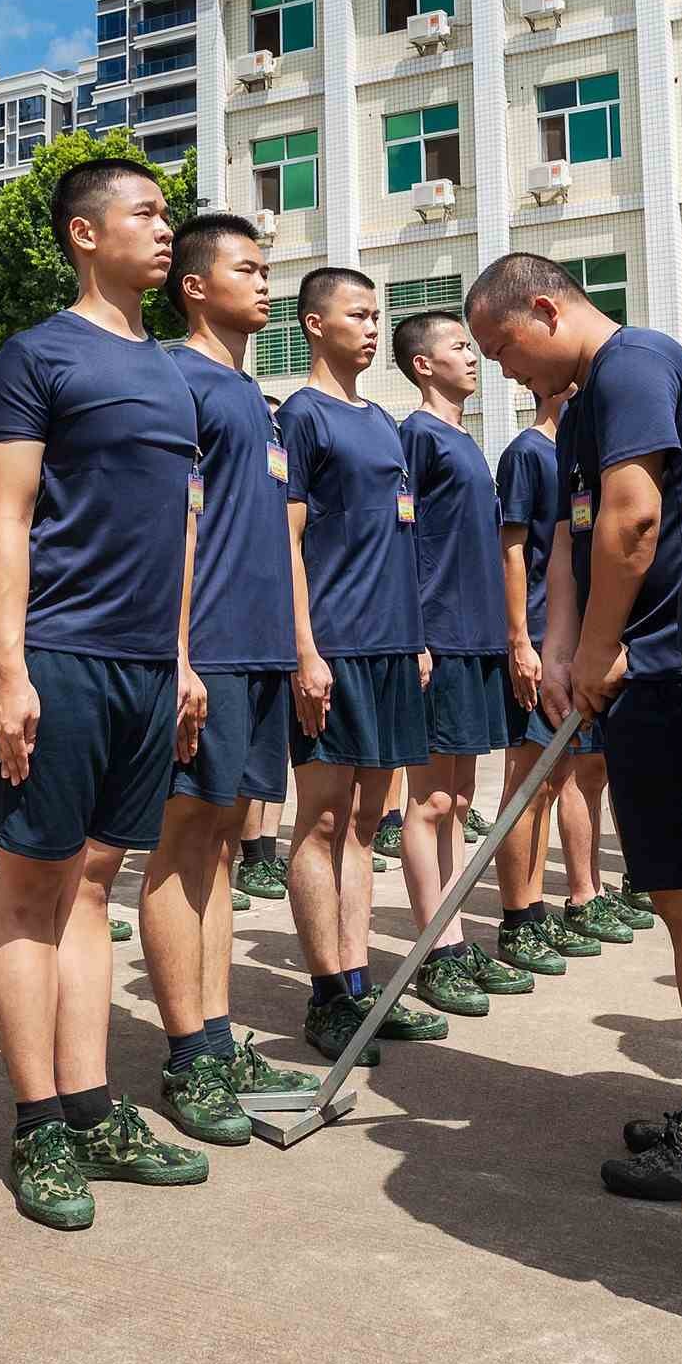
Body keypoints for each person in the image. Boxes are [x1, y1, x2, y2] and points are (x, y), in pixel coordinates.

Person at [466, 255, 682, 1207]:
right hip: (630, 673)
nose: (504, 371)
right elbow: (579, 539)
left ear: (545, 307)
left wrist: (608, 647)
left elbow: (634, 521)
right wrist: (563, 647)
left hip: (673, 669)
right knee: (681, 895)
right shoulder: (583, 404)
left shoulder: (635, 366)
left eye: (505, 347)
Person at [0, 158, 213, 1228]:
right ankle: (38, 1126)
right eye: (147, 213)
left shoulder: (171, 371)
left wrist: (176, 661)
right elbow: (10, 520)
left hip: (142, 667)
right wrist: (10, 670)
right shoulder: (37, 355)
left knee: (95, 887)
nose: (166, 230)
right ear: (85, 234)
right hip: (61, 656)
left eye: (168, 215)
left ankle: (89, 1100)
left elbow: (177, 530)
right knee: (34, 884)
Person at [150, 215, 325, 1146]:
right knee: (183, 845)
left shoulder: (254, 397)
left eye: (268, 271)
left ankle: (215, 1035)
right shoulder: (175, 380)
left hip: (257, 650)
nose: (265, 286)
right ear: (193, 285)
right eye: (247, 271)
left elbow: (281, 537)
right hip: (206, 648)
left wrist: (297, 646)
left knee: (221, 847)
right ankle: (186, 1052)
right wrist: (176, 655)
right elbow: (170, 529)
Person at [276, 269, 444, 1062]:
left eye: (380, 315)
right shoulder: (303, 416)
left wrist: (413, 638)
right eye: (358, 315)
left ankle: (359, 982)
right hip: (334, 648)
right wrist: (305, 649)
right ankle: (326, 994)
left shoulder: (382, 420)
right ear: (314, 324)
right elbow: (288, 542)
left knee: (366, 824)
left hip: (389, 648)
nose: (374, 328)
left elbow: (400, 537)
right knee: (320, 818)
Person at [394, 308, 531, 1013]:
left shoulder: (464, 439)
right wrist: (416, 634)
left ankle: (449, 935)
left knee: (460, 801)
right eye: (457, 346)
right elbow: (405, 543)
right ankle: (433, 950)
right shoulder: (416, 436)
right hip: (440, 637)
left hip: (477, 638)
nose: (473, 356)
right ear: (423, 364)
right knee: (430, 800)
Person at [492, 392, 619, 974]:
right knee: (529, 780)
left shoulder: (577, 458)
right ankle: (519, 919)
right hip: (542, 640)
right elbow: (513, 553)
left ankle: (553, 903)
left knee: (559, 778)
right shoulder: (526, 453)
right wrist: (521, 640)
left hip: (574, 644)